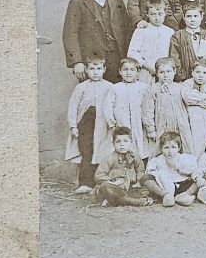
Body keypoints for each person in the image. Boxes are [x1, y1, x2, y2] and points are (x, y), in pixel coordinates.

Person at [62, 0, 130, 83]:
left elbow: (128, 31)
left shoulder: (117, 2)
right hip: (91, 63)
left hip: (117, 60)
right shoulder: (77, 3)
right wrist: (77, 62)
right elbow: (70, 34)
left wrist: (129, 60)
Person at [65, 56, 116, 193]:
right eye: (92, 69)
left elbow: (112, 106)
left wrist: (112, 124)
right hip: (86, 121)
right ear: (86, 70)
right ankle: (86, 182)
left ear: (104, 70)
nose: (95, 72)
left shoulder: (110, 87)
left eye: (99, 69)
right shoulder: (81, 87)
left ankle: (101, 182)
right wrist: (73, 126)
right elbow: (73, 107)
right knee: (86, 150)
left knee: (102, 150)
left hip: (103, 123)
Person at [92, 127, 161, 207]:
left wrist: (138, 181)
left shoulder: (135, 157)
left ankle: (118, 200)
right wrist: (112, 182)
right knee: (105, 187)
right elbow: (99, 175)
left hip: (130, 188)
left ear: (131, 142)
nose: (122, 144)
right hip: (115, 187)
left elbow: (140, 170)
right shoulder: (110, 158)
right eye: (118, 141)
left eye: (125, 141)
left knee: (147, 184)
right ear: (113, 143)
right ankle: (133, 202)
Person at [98, 56, 148, 161]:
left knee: (140, 145)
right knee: (123, 145)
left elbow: (148, 106)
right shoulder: (115, 88)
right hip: (122, 123)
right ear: (120, 71)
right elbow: (107, 107)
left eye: (132, 70)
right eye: (125, 70)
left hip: (139, 124)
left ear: (138, 72)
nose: (128, 73)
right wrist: (112, 124)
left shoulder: (144, 87)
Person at [140, 57, 193, 153]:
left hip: (180, 124)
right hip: (161, 125)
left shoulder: (181, 88)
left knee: (184, 147)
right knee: (160, 148)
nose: (165, 75)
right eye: (162, 72)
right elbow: (147, 111)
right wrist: (151, 129)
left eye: (168, 71)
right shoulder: (153, 89)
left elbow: (188, 107)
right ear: (157, 73)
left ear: (174, 71)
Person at [126, 0, 174, 82]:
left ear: (165, 13)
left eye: (160, 14)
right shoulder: (141, 31)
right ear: (147, 14)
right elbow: (132, 52)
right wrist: (147, 65)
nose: (157, 18)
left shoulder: (170, 32)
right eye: (153, 14)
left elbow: (173, 53)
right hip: (146, 71)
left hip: (165, 73)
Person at [145, 131, 198, 207]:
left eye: (173, 147)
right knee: (146, 178)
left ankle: (187, 195)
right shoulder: (157, 160)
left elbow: (192, 169)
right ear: (161, 149)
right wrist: (159, 174)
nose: (170, 151)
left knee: (199, 177)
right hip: (165, 186)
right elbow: (149, 171)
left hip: (184, 184)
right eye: (166, 148)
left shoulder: (184, 157)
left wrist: (178, 166)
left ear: (179, 148)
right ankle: (166, 196)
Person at [169, 4, 206, 82]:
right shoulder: (177, 36)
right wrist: (180, 77)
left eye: (196, 16)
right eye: (189, 16)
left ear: (201, 17)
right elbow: (174, 58)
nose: (192, 19)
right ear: (183, 17)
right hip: (185, 79)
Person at [180, 59, 206, 155]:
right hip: (192, 117)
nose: (201, 75)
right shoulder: (187, 83)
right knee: (194, 144)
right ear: (192, 73)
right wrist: (205, 96)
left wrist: (196, 101)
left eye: (205, 73)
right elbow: (188, 98)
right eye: (197, 72)